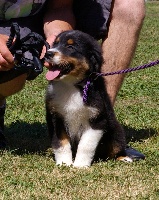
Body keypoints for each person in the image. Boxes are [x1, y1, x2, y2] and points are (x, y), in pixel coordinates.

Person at [0, 0, 145, 160]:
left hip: (34, 15)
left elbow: (60, 7)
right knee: (11, 67)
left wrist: (57, 36)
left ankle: (99, 125)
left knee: (130, 3)